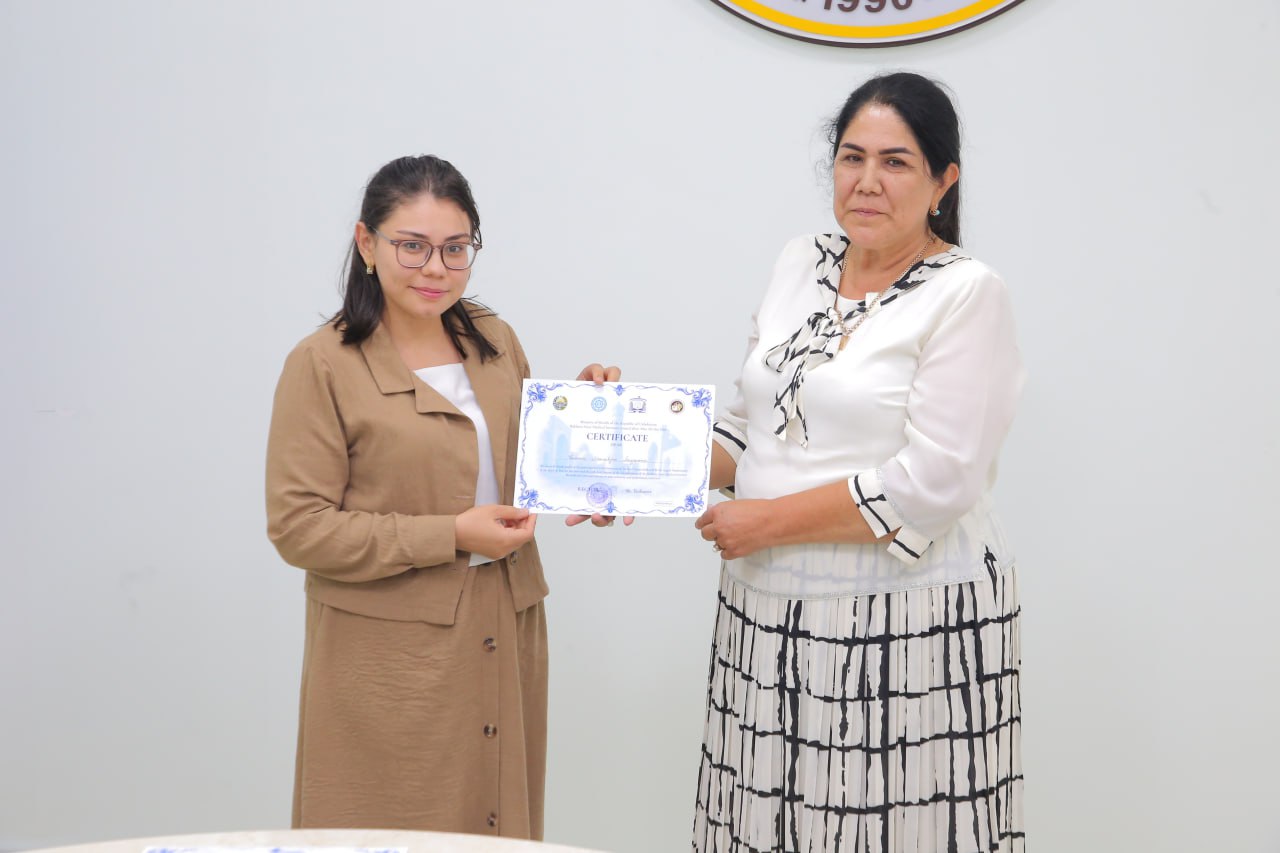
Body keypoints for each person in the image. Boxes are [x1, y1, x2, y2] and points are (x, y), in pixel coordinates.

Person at [691, 73, 1026, 852]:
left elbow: (934, 482)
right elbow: (750, 425)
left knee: (889, 824)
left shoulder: (967, 292)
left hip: (904, 621)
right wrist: (628, 453)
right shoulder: (799, 261)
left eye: (896, 162)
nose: (867, 181)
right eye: (852, 157)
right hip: (764, 608)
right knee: (766, 822)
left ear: (943, 181)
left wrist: (766, 523)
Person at [265, 155, 616, 837]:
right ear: (367, 244)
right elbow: (299, 527)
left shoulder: (493, 340)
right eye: (413, 246)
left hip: (504, 623)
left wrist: (596, 434)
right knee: (389, 828)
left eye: (456, 248)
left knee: (495, 824)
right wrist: (451, 534)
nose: (436, 268)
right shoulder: (323, 363)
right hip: (387, 653)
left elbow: (525, 468)